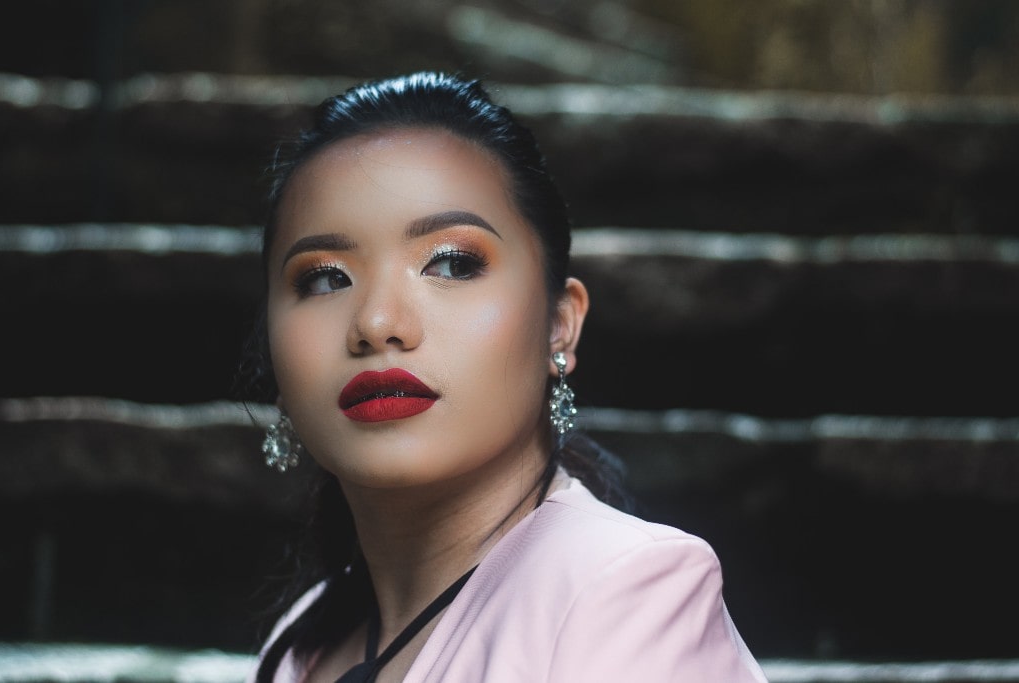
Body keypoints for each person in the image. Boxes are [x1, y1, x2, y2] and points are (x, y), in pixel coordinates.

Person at [238, 71, 767, 682]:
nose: (378, 322)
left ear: (558, 327)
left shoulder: (623, 592)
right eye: (325, 278)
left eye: (453, 263)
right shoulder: (300, 644)